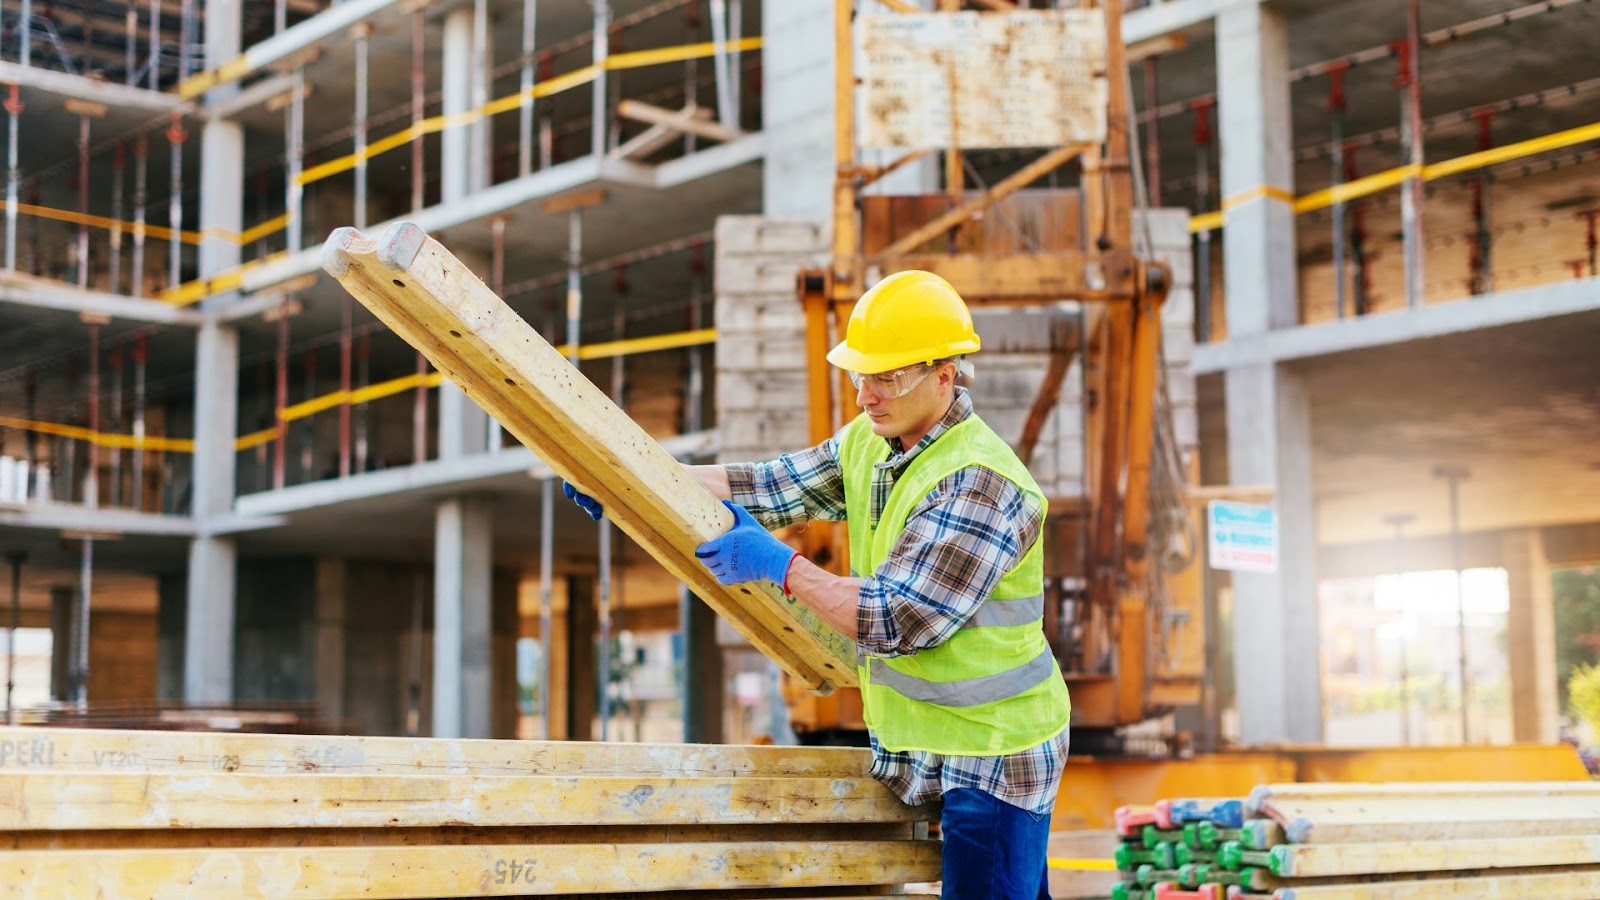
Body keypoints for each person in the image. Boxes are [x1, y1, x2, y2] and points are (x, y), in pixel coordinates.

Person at [566, 270, 1071, 898]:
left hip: (995, 754)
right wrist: (628, 481)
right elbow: (768, 485)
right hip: (930, 743)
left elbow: (896, 620)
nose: (865, 396)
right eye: (861, 375)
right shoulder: (872, 440)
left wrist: (783, 567)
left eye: (886, 377)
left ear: (946, 374)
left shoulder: (981, 485)